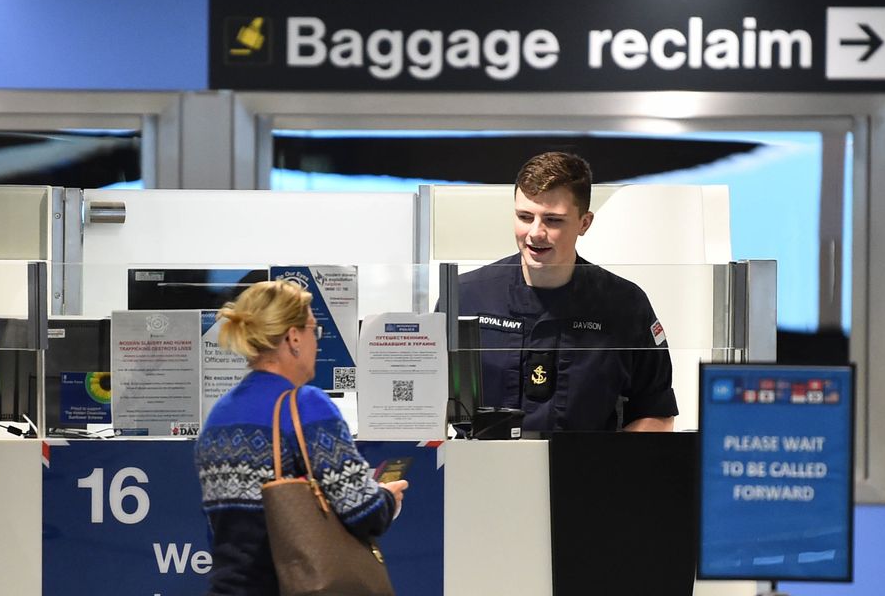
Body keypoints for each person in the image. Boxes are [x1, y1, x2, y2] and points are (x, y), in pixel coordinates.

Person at [194, 280, 408, 595]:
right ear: (294, 337)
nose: (316, 343)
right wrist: (388, 498)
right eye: (314, 331)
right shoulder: (307, 405)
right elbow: (364, 512)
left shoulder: (219, 416)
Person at [457, 151, 678, 432]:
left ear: (584, 223)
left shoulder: (625, 304)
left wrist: (614, 470)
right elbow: (426, 406)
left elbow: (655, 413)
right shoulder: (466, 297)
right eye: (525, 217)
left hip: (587, 471)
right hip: (482, 471)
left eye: (553, 220)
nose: (535, 233)